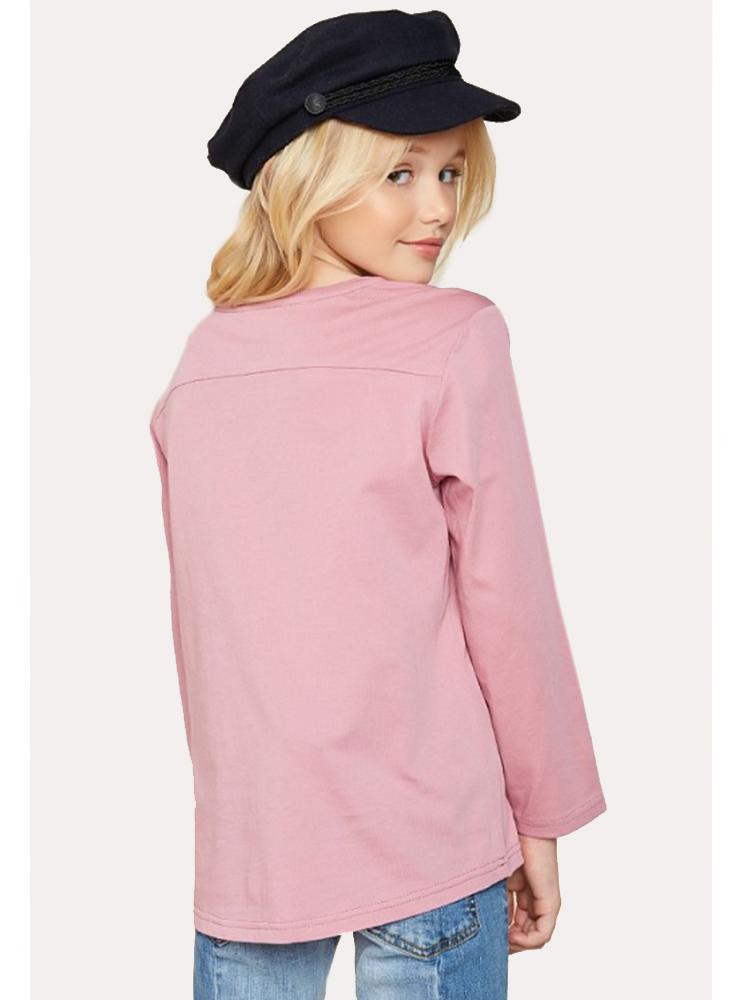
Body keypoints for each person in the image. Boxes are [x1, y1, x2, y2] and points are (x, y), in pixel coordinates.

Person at [148, 10, 607, 999]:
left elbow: (209, 624)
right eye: (399, 172)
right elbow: (509, 601)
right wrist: (542, 819)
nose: (436, 207)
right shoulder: (453, 337)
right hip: (428, 834)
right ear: (310, 175)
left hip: (255, 848)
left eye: (451, 171)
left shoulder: (203, 363)